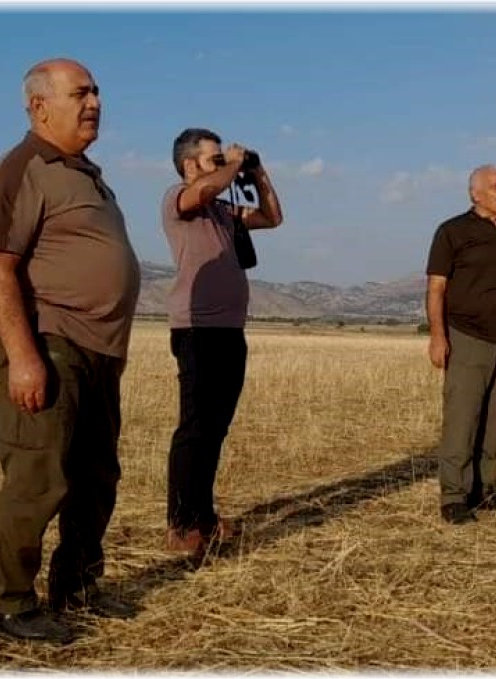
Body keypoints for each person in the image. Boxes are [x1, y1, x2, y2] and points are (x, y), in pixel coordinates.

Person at [0, 57, 142, 643]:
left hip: (100, 351)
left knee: (96, 477)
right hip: (51, 343)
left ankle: (78, 587)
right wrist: (23, 357)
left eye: (97, 91)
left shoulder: (86, 172)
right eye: (81, 93)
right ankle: (8, 604)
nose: (94, 101)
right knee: (38, 478)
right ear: (39, 105)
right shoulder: (24, 168)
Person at [161, 128, 283, 554]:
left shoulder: (223, 209)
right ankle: (180, 523)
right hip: (196, 330)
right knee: (194, 428)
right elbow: (208, 187)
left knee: (215, 429)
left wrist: (258, 173)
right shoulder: (179, 199)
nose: (223, 164)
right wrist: (230, 166)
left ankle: (204, 516)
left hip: (231, 331)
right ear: (190, 165)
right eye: (213, 158)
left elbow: (272, 217)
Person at [424, 165, 496, 525]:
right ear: (475, 193)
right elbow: (436, 288)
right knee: (463, 417)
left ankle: (485, 489)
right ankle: (454, 497)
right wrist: (438, 336)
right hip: (467, 337)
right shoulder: (452, 232)